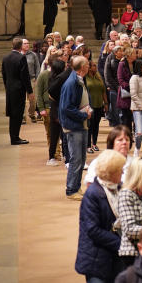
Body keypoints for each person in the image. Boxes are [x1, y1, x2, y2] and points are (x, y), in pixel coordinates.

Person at [76, 149, 127, 283]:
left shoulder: (120, 188)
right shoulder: (92, 194)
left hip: (116, 255)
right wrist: (120, 242)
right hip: (95, 255)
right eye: (120, 170)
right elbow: (92, 230)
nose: (122, 173)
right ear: (111, 172)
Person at [60, 56, 93, 198]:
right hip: (74, 126)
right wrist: (84, 115)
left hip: (81, 125)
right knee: (76, 159)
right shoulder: (71, 83)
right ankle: (71, 190)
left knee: (81, 159)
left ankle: (76, 187)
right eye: (87, 64)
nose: (89, 65)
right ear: (82, 68)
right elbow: (66, 108)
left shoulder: (78, 80)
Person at [2, 38, 33, 145]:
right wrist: (30, 91)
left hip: (10, 89)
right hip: (19, 89)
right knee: (18, 114)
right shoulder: (21, 58)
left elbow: (4, 75)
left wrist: (7, 87)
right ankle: (15, 138)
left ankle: (13, 137)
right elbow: (25, 77)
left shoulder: (5, 58)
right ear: (20, 47)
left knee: (12, 114)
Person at [85, 58, 107, 153]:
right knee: (89, 125)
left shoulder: (98, 77)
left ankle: (94, 143)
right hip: (90, 105)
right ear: (89, 68)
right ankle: (88, 145)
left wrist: (106, 103)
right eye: (94, 65)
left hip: (99, 104)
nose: (96, 67)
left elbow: (103, 91)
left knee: (96, 125)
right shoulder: (85, 78)